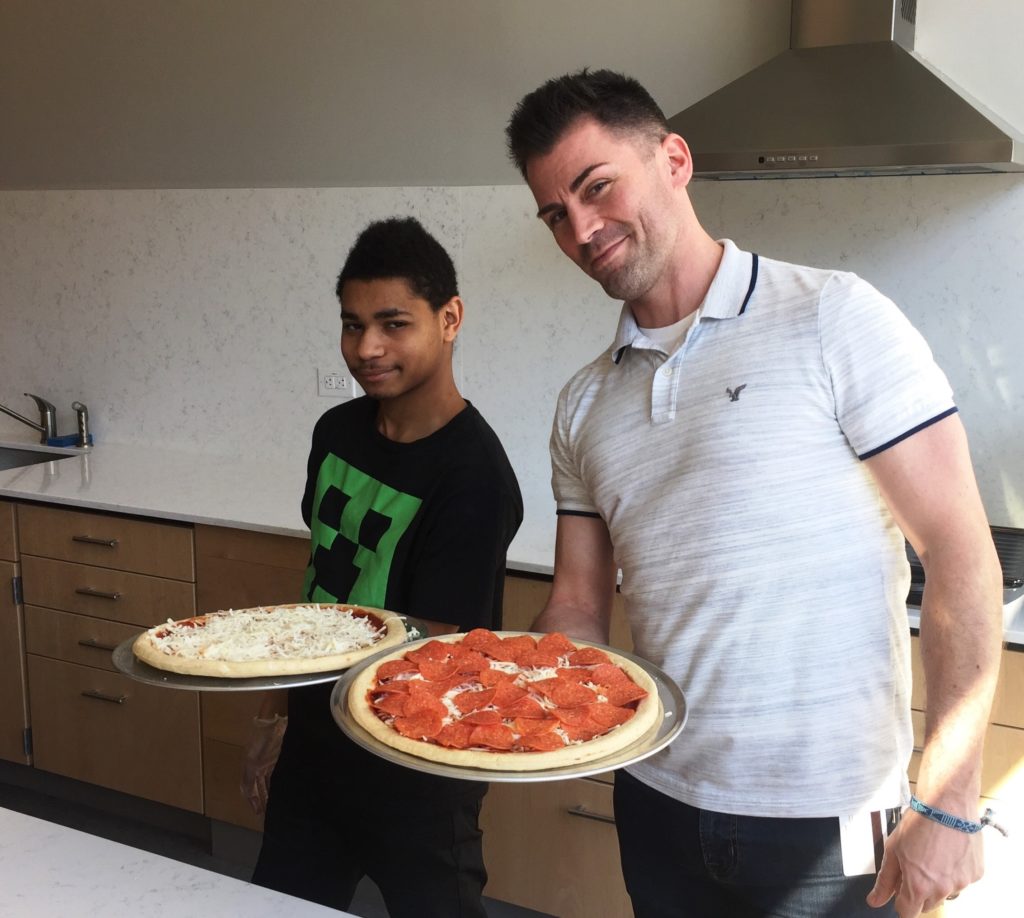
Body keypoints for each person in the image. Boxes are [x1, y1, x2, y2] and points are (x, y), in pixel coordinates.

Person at [504, 69, 1003, 918]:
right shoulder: (582, 404)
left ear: (673, 160)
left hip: (831, 814)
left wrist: (949, 796)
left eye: (597, 188)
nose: (582, 229)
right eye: (557, 214)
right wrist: (491, 698)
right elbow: (579, 612)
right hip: (655, 796)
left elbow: (958, 552)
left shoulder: (834, 316)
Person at [249, 216, 523, 917]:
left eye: (393, 324)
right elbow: (321, 590)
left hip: (417, 766)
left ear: (450, 318)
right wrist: (282, 714)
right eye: (352, 324)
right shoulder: (335, 432)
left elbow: (428, 645)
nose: (366, 347)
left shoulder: (473, 477)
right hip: (316, 748)